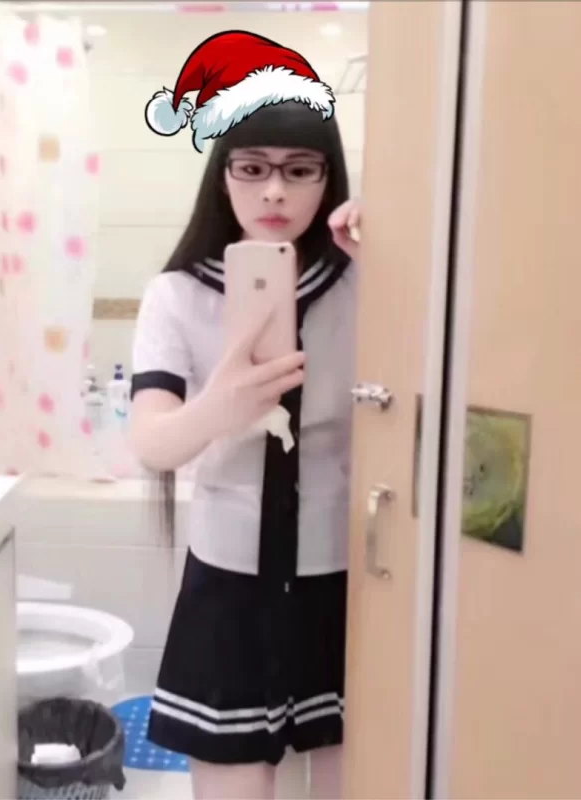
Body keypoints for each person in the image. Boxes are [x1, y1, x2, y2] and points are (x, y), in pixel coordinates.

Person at [129, 100, 361, 800]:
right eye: (252, 169)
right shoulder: (176, 295)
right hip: (227, 582)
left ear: (328, 178)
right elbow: (151, 442)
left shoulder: (363, 282)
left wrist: (389, 268)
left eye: (300, 171)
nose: (274, 192)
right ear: (223, 176)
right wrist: (218, 407)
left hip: (342, 577)